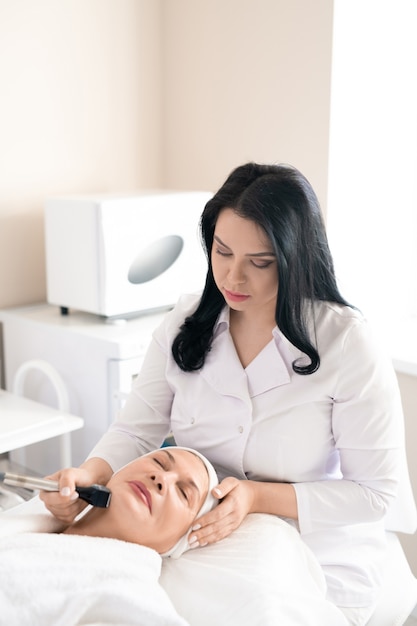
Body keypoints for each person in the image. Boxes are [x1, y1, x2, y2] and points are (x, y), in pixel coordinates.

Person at [41, 162, 417, 626]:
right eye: (222, 252)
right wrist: (87, 475)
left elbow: (375, 494)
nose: (233, 279)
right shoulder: (187, 322)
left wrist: (256, 497)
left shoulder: (345, 343)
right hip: (200, 538)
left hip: (314, 549)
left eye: (259, 263)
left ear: (295, 258)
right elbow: (135, 431)